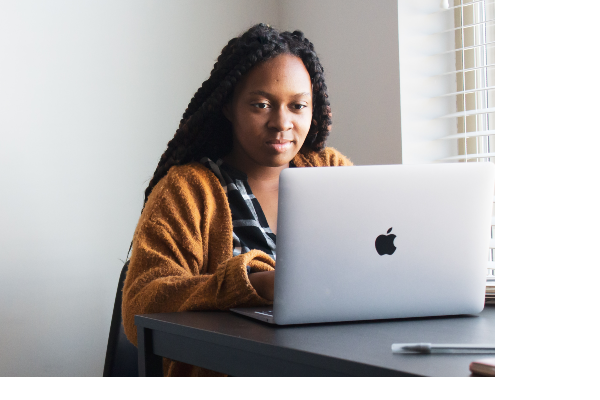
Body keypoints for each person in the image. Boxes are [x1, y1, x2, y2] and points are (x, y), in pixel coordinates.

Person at [122, 23, 352, 377]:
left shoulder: (331, 171)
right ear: (229, 106)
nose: (282, 122)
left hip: (331, 358)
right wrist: (251, 284)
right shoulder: (187, 190)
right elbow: (141, 303)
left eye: (297, 106)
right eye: (261, 104)